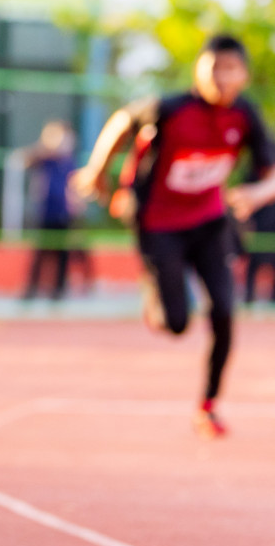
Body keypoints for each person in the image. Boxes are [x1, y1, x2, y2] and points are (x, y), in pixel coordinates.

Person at [72, 34, 275, 439]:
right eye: (213, 67)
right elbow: (121, 122)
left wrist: (257, 192)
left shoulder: (245, 116)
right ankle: (155, 290)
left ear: (244, 76)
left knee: (224, 312)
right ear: (199, 71)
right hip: (159, 224)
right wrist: (97, 171)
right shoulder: (172, 109)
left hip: (208, 223)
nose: (221, 77)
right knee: (177, 324)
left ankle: (209, 405)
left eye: (230, 69)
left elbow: (271, 174)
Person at [18, 120, 77, 301]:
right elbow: (24, 159)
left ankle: (58, 290)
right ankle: (31, 290)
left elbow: (74, 185)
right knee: (40, 252)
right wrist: (46, 146)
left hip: (64, 212)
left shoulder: (69, 161)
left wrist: (75, 204)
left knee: (63, 254)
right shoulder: (45, 159)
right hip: (46, 211)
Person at [242, 199, 275, 303]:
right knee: (252, 268)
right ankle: (248, 297)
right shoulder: (251, 184)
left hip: (270, 239)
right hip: (257, 238)